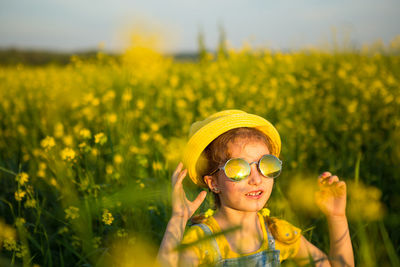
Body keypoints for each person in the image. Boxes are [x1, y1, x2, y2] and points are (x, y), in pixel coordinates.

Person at [157, 110, 354, 266]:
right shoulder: (202, 241)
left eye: (266, 164)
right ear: (213, 183)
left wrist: (336, 216)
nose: (256, 178)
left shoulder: (278, 233)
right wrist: (178, 219)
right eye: (238, 169)